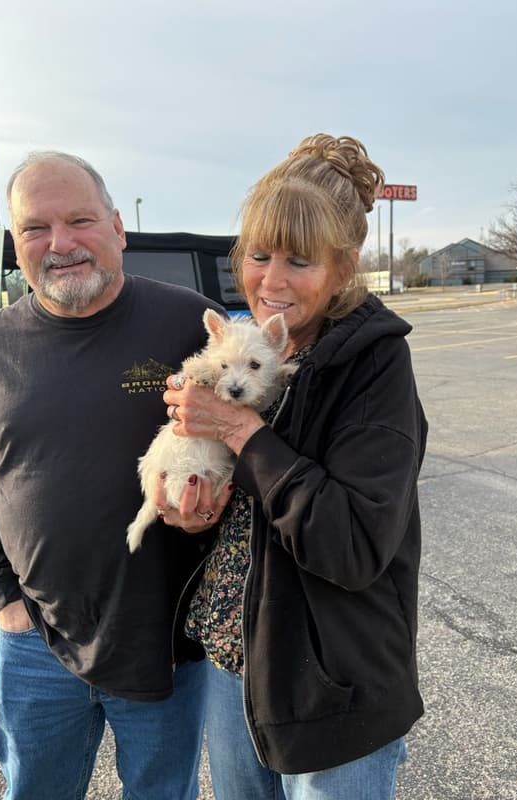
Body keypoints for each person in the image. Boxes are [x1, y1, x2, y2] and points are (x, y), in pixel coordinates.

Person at [159, 133, 428, 800]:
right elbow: (244, 514)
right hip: (235, 663)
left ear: (344, 265)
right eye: (258, 255)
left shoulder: (373, 366)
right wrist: (190, 509)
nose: (271, 282)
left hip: (332, 685)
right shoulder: (249, 352)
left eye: (300, 261)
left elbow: (352, 542)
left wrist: (245, 435)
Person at [0, 151, 232, 800]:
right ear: (16, 243)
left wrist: (213, 503)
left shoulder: (188, 324)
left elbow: (244, 442)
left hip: (162, 637)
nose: (60, 244)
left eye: (80, 220)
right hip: (36, 643)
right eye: (35, 228)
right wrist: (6, 601)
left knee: (162, 793)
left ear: (117, 227)